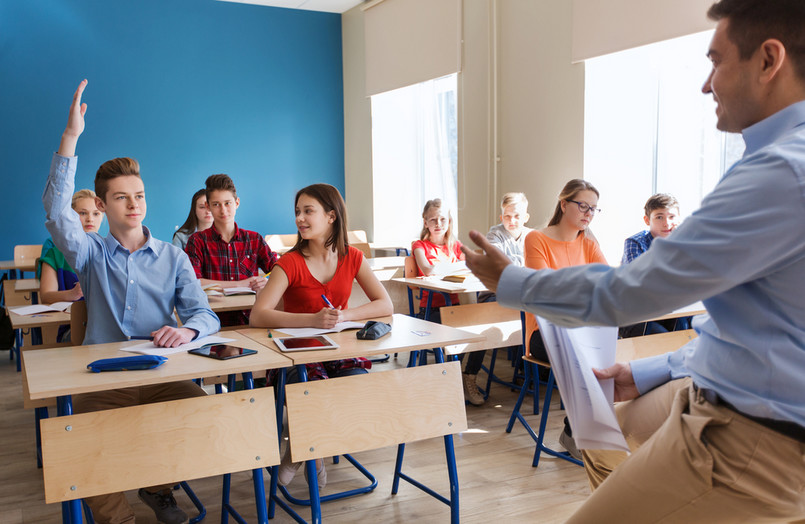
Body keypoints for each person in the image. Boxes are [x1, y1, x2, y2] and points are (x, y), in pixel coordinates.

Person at [461, 0, 805, 520]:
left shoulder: (781, 172)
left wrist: (510, 281)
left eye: (716, 61)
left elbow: (627, 290)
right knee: (604, 436)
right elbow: (757, 327)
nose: (706, 84)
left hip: (751, 436)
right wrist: (651, 371)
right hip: (715, 389)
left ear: (768, 60)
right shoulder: (774, 164)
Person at [44, 79, 221, 524]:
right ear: (103, 206)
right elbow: (54, 210)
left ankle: (157, 486)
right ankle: (120, 519)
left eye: (139, 196)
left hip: (162, 371)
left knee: (208, 417)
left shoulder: (173, 256)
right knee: (79, 440)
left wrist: (188, 329)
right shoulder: (90, 253)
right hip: (103, 379)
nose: (133, 204)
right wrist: (71, 138)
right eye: (121, 198)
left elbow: (205, 314)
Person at [250, 183, 393, 488]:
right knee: (315, 393)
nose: (300, 218)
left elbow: (385, 304)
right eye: (297, 212)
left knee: (355, 390)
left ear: (331, 216)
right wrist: (312, 319)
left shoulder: (352, 257)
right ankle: (312, 453)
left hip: (336, 350)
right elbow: (258, 315)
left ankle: (297, 454)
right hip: (294, 357)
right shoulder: (288, 262)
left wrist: (346, 315)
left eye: (308, 211)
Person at [524, 179, 607, 459]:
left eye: (594, 209)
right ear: (564, 204)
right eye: (583, 205)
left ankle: (587, 431)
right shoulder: (536, 238)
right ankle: (577, 434)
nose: (588, 213)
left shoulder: (589, 243)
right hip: (544, 333)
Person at [462, 192, 533, 406]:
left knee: (541, 314)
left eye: (517, 216)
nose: (512, 221)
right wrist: (523, 265)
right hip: (494, 293)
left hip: (522, 294)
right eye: (507, 216)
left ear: (526, 217)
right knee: (486, 325)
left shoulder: (533, 236)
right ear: (501, 217)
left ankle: (529, 371)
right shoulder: (494, 235)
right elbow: (503, 267)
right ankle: (470, 375)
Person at [184, 174, 278, 326]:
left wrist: (265, 282)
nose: (223, 210)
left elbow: (279, 271)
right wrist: (243, 284)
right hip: (211, 321)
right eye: (216, 204)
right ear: (208, 206)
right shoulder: (197, 241)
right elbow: (194, 282)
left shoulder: (254, 239)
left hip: (250, 320)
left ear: (237, 203)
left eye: (227, 203)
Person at [36, 189, 104, 342]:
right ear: (71, 217)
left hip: (107, 329)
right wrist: (73, 294)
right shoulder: (54, 254)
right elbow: (46, 296)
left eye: (96, 213)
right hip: (73, 329)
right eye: (83, 213)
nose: (90, 219)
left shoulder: (111, 251)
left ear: (103, 216)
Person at [620, 193, 689, 337]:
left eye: (671, 217)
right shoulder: (635, 243)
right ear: (647, 220)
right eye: (659, 217)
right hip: (636, 315)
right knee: (669, 339)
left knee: (689, 325)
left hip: (668, 311)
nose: (667, 223)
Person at [411, 198, 465, 319]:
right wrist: (458, 267)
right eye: (433, 220)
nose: (438, 224)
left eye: (443, 219)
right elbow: (428, 270)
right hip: (431, 308)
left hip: (453, 305)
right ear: (425, 223)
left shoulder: (455, 245)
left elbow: (472, 264)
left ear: (449, 221)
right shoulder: (419, 246)